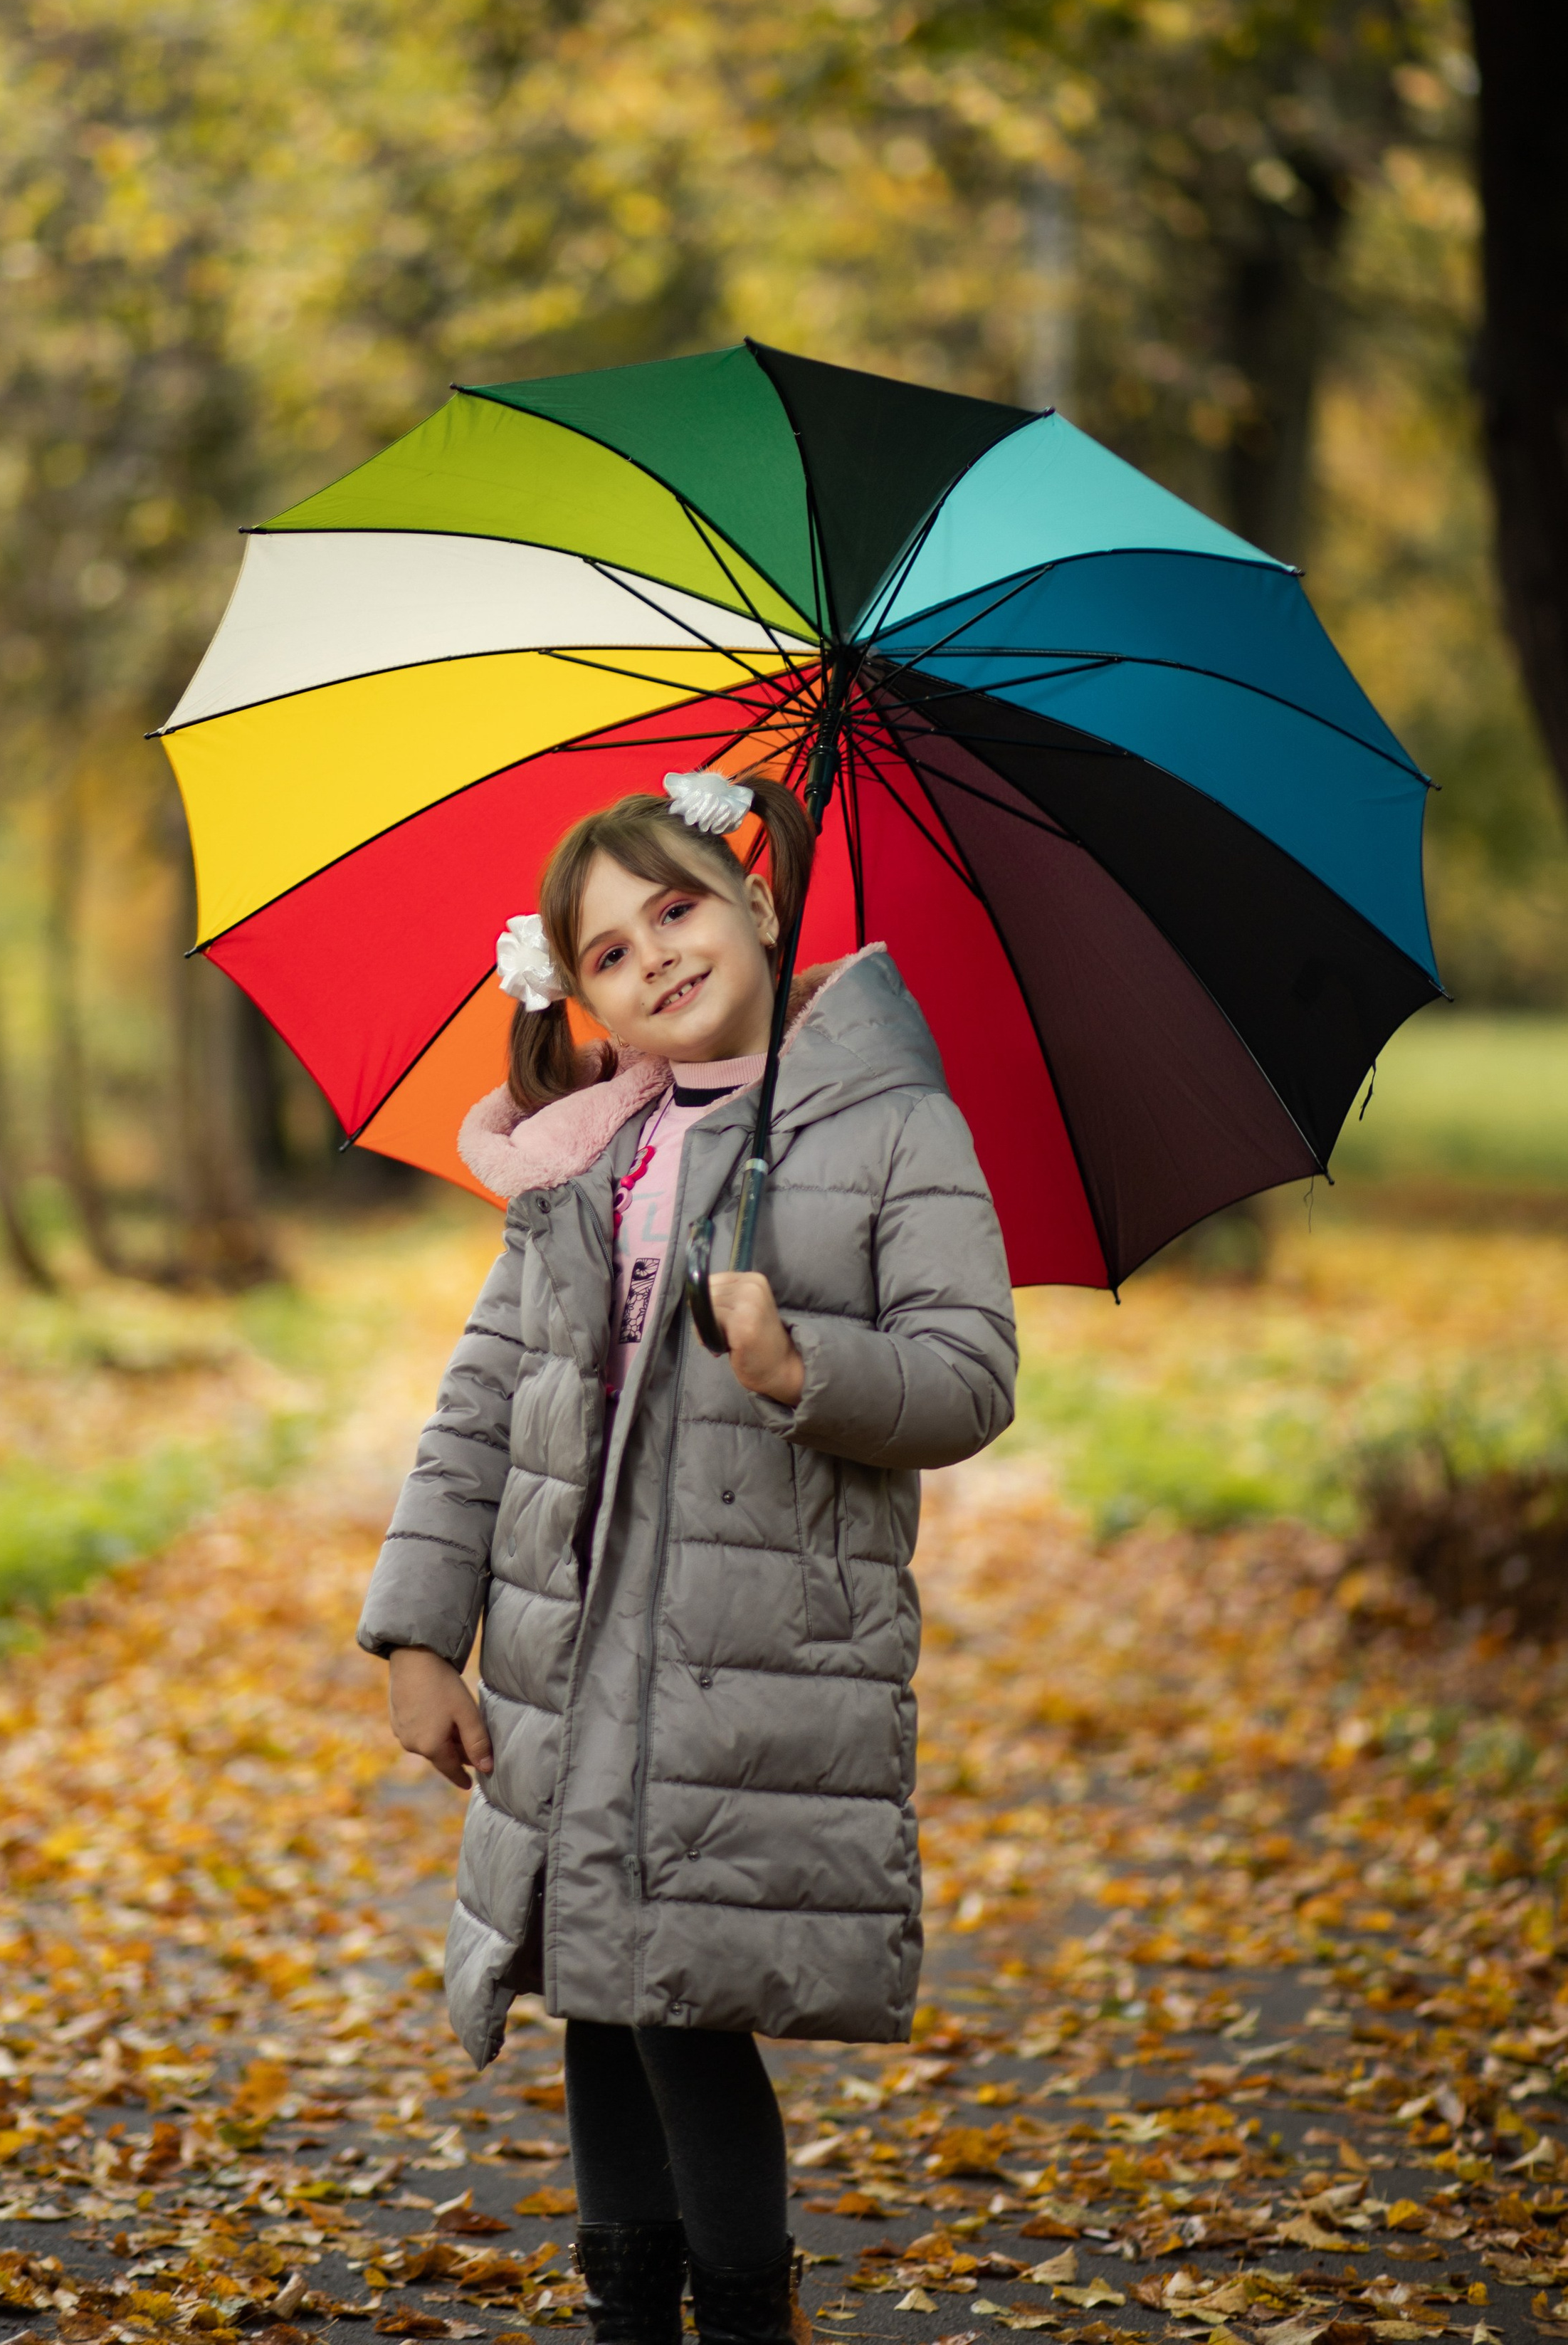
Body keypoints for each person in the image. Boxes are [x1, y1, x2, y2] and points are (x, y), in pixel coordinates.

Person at [357, 768, 1017, 2345]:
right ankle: (624, 2319)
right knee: (595, 1995)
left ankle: (743, 2318)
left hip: (741, 1662)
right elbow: (479, 1406)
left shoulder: (880, 1124)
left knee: (685, 2016)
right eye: (604, 951)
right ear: (578, 996)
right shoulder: (588, 1160)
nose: (653, 955)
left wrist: (805, 1374)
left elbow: (968, 1373)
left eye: (675, 906)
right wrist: (416, 1637)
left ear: (758, 903)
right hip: (570, 1653)